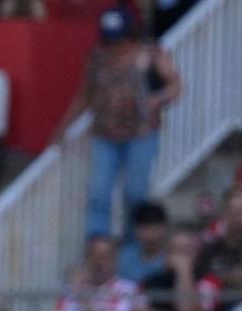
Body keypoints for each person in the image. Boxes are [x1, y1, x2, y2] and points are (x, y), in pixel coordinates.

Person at [53, 7, 181, 239]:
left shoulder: (150, 55)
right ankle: (98, 247)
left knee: (135, 195)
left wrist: (156, 100)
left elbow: (175, 86)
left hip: (141, 135)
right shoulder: (96, 58)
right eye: (111, 39)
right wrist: (63, 128)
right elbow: (85, 95)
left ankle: (132, 245)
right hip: (105, 135)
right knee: (99, 194)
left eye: (120, 39)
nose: (115, 45)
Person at [56, 234, 138, 311]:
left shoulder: (126, 289)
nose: (98, 263)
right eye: (93, 256)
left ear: (115, 260)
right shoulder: (70, 289)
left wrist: (81, 295)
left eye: (104, 257)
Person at [118, 201, 169, 282]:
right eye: (145, 227)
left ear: (164, 228)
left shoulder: (171, 258)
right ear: (135, 229)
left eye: (154, 227)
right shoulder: (124, 257)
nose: (149, 233)